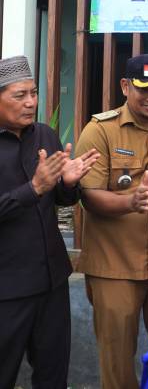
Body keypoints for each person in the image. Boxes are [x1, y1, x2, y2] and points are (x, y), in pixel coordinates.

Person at [74, 54, 148, 389]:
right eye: (145, 89)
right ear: (125, 87)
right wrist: (132, 201)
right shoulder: (100, 130)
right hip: (114, 266)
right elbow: (89, 195)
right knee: (117, 363)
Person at [0, 55, 98, 388]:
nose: (30, 102)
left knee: (53, 374)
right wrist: (33, 189)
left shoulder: (44, 135)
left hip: (51, 282)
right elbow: (35, 192)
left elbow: (61, 200)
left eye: (33, 93)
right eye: (19, 95)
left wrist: (68, 184)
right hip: (7, 289)